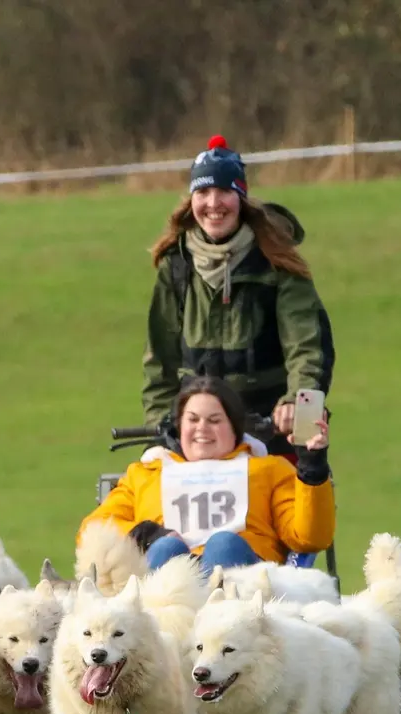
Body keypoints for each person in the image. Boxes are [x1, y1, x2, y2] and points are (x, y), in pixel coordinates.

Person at [141, 134, 336, 459]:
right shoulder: (176, 267)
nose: (213, 204)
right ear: (191, 200)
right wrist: (160, 430)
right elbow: (159, 363)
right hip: (198, 437)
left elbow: (309, 349)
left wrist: (297, 407)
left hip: (270, 434)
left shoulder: (278, 263)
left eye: (224, 192)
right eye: (203, 192)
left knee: (304, 496)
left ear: (241, 198)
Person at [80, 375, 333, 573]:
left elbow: (308, 538)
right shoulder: (146, 473)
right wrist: (147, 533)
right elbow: (92, 531)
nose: (202, 428)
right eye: (193, 420)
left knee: (224, 543)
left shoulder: (267, 469)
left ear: (234, 428)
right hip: (169, 585)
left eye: (214, 420)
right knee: (166, 547)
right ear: (180, 428)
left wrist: (312, 466)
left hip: (244, 584)